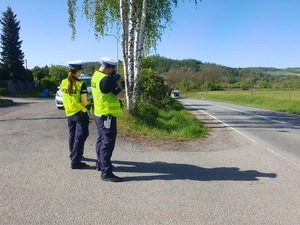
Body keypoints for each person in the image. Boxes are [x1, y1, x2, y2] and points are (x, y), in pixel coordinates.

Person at [91, 57, 125, 182]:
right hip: (107, 116)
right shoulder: (107, 80)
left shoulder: (95, 76)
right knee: (107, 143)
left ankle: (100, 164)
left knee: (101, 140)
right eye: (113, 70)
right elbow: (121, 96)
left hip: (98, 114)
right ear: (110, 68)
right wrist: (117, 83)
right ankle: (106, 172)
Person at [60, 60, 90, 169]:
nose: (81, 72)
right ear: (77, 71)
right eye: (81, 70)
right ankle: (75, 161)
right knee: (81, 136)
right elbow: (84, 102)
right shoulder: (81, 84)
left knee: (72, 135)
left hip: (69, 113)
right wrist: (89, 103)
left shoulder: (63, 82)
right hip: (80, 113)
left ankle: (73, 154)